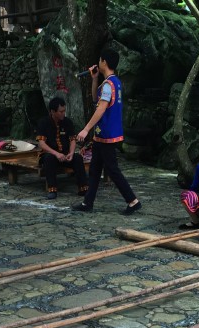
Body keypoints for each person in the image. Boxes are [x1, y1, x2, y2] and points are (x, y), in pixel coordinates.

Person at [73, 48, 141, 215]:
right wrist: (94, 79)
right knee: (95, 169)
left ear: (104, 62)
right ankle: (87, 202)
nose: (98, 62)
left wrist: (85, 129)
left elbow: (101, 108)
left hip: (107, 134)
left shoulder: (108, 85)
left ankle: (133, 201)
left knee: (112, 169)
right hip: (104, 135)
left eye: (100, 59)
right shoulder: (113, 82)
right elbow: (96, 99)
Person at [36, 97, 88, 200]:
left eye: (64, 111)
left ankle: (83, 188)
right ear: (52, 111)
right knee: (49, 159)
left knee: (77, 158)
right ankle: (52, 189)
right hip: (49, 155)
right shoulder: (43, 122)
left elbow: (72, 139)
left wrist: (71, 153)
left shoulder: (67, 122)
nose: (63, 113)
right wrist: (56, 154)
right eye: (61, 111)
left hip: (64, 155)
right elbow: (41, 144)